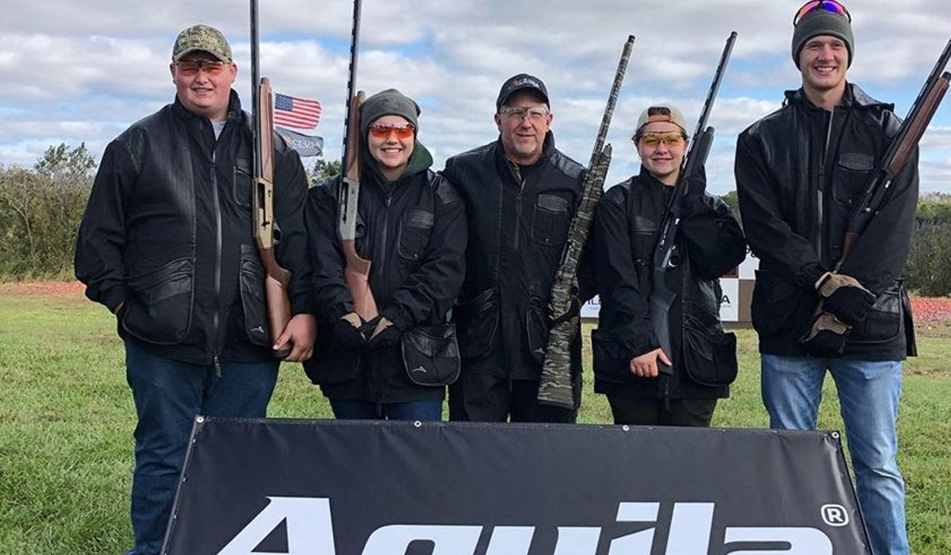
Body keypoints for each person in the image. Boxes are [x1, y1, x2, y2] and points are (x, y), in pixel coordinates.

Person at [74, 24, 315, 555]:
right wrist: (131, 310)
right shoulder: (136, 145)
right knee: (165, 455)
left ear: (232, 73)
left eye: (212, 67)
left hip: (251, 342)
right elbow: (96, 249)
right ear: (174, 74)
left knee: (238, 461)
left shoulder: (273, 152)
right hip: (164, 344)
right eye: (190, 67)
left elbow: (300, 247)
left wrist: (305, 313)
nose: (201, 77)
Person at [734, 0, 917, 555]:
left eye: (835, 45)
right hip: (790, 325)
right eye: (814, 44)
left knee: (878, 465)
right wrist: (820, 281)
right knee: (790, 458)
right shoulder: (760, 138)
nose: (825, 54)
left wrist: (848, 298)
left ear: (848, 54)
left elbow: (893, 232)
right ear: (798, 56)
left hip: (871, 326)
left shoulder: (890, 130)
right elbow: (763, 229)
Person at [304, 89, 467, 420]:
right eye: (380, 130)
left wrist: (396, 317)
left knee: (415, 464)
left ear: (414, 136)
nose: (392, 139)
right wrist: (343, 313)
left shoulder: (443, 196)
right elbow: (321, 263)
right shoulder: (328, 196)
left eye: (402, 130)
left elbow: (445, 271)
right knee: (353, 463)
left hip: (417, 361)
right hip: (347, 361)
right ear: (365, 135)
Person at [442, 73, 593, 423]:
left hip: (548, 343)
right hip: (479, 345)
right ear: (498, 120)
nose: (526, 123)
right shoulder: (462, 171)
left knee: (545, 461)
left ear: (549, 120)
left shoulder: (576, 180)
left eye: (535, 113)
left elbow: (597, 258)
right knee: (473, 458)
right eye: (515, 112)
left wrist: (572, 295)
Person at [591, 104, 746, 426]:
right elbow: (616, 281)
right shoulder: (616, 202)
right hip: (631, 363)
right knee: (634, 465)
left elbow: (720, 260)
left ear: (686, 145)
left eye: (671, 139)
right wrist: (640, 344)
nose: (661, 149)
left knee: (688, 467)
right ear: (638, 146)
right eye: (651, 140)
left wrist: (695, 206)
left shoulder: (711, 206)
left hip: (697, 361)